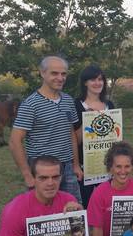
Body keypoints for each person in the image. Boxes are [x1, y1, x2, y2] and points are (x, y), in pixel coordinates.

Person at [10, 56, 83, 203]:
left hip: (67, 167)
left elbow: (71, 133)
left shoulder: (68, 101)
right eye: (54, 73)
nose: (60, 78)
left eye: (63, 74)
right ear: (42, 73)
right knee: (44, 211)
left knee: (73, 210)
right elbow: (14, 141)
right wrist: (27, 175)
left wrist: (75, 165)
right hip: (42, 169)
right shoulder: (31, 104)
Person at [74, 65, 115, 206]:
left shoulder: (109, 104)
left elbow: (115, 135)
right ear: (85, 82)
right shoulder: (76, 105)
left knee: (108, 204)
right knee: (87, 204)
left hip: (107, 166)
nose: (98, 83)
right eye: (93, 80)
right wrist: (88, 120)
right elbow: (74, 139)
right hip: (86, 167)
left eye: (100, 79)